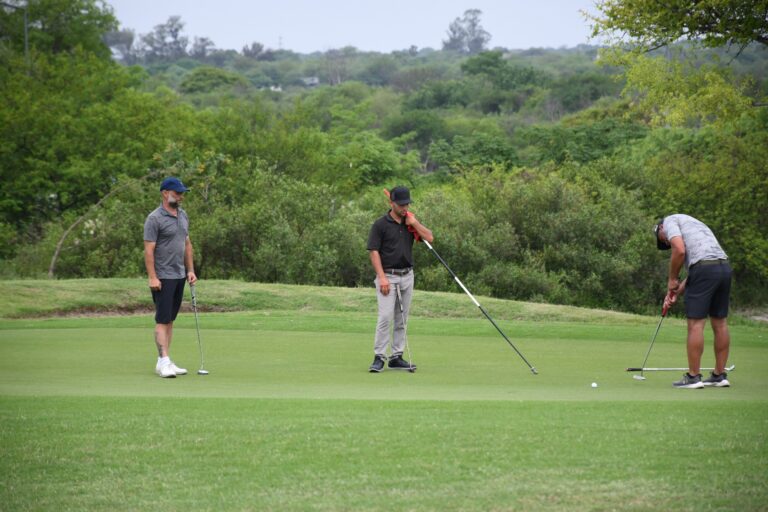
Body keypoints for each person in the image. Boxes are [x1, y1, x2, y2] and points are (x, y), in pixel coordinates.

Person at [654, 214, 732, 389]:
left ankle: (693, 377)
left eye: (663, 240)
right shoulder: (695, 224)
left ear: (660, 229)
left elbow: (680, 250)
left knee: (696, 324)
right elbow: (699, 269)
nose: (666, 243)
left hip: (704, 270)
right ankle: (719, 376)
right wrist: (676, 292)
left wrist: (672, 278)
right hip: (723, 268)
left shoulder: (669, 222)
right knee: (720, 323)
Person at [366, 186, 434, 372]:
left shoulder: (409, 223)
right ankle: (379, 356)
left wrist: (414, 222)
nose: (404, 207)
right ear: (392, 203)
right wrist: (382, 278)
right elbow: (373, 251)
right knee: (385, 317)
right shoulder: (380, 224)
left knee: (401, 318)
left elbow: (429, 237)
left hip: (407, 276)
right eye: (401, 204)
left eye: (407, 204)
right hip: (388, 276)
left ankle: (396, 357)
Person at [143, 177, 198, 378]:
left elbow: (187, 244)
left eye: (182, 193)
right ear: (165, 193)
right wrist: (152, 277)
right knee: (162, 319)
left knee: (170, 320)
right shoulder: (154, 219)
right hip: (162, 277)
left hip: (179, 275)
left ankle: (164, 361)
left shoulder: (183, 216)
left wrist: (190, 270)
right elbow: (149, 251)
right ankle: (163, 360)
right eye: (177, 193)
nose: (181, 197)